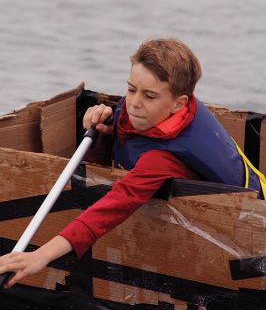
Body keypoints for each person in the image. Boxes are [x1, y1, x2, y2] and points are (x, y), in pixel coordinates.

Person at [0, 38, 265, 288]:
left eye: (149, 96)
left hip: (251, 217)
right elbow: (126, 145)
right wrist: (105, 132)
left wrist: (41, 256)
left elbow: (110, 208)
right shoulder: (152, 111)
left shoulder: (162, 159)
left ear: (178, 104)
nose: (134, 104)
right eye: (130, 89)